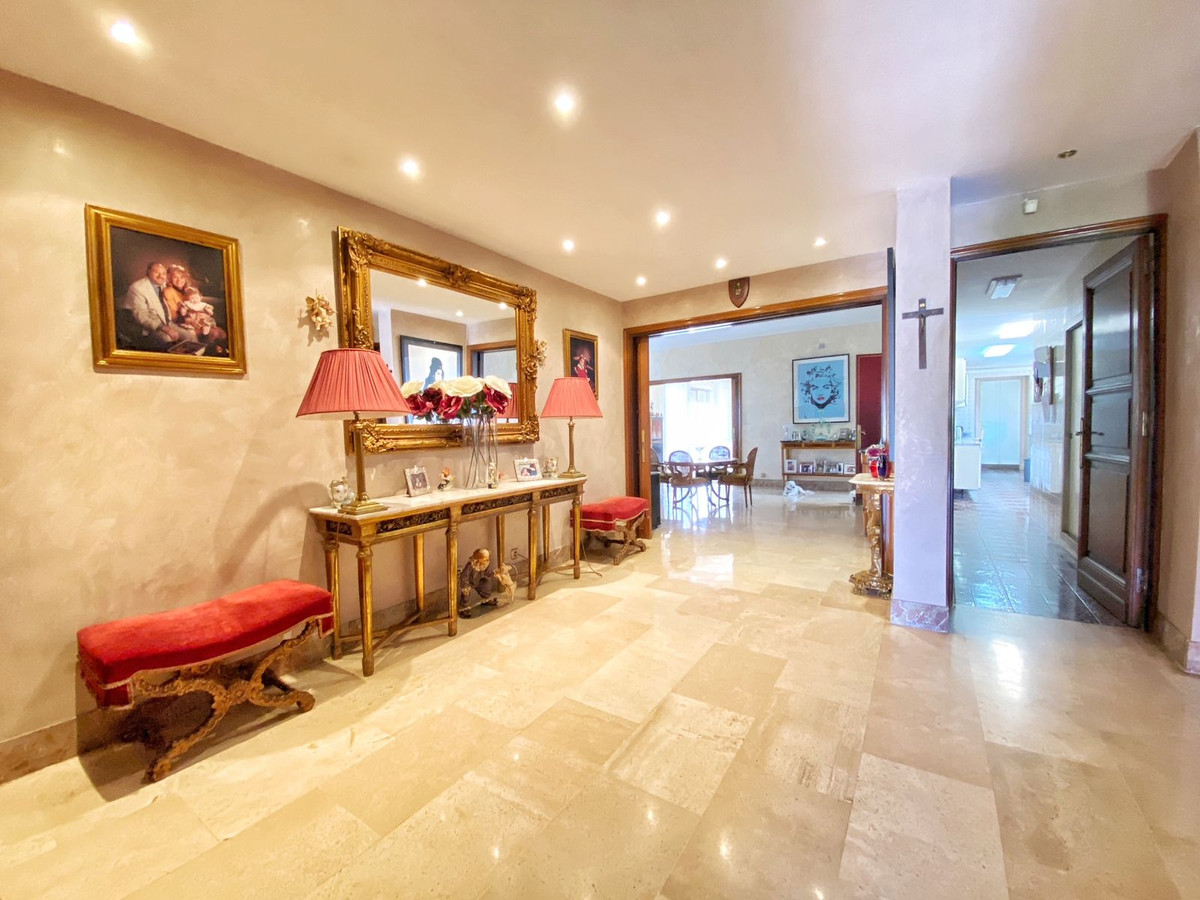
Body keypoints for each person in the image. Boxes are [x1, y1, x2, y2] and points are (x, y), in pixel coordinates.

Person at [117, 261, 196, 349]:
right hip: (149, 327)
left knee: (188, 336)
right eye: (156, 272)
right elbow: (142, 317)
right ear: (148, 272)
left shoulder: (162, 285)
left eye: (163, 273)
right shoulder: (137, 288)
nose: (161, 276)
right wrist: (166, 329)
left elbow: (178, 287)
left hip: (167, 323)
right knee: (167, 339)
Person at [457, 548, 499, 617]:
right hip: (470, 582)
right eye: (485, 557)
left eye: (488, 557)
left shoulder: (486, 563)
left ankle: (485, 600)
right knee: (466, 593)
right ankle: (464, 609)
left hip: (480, 580)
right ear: (479, 558)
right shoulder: (471, 564)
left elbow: (488, 572)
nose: (487, 559)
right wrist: (465, 585)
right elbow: (465, 576)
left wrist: (494, 572)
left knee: (486, 584)